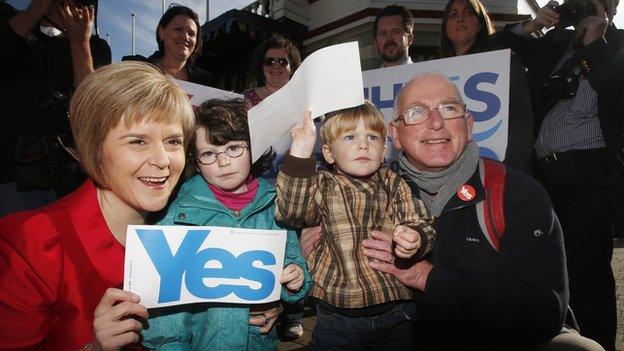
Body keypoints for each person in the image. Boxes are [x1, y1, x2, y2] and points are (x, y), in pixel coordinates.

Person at [359, 72, 603, 350]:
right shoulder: (370, 201)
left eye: (449, 109)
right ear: (395, 135)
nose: (436, 123)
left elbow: (543, 309)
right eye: (416, 112)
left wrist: (427, 278)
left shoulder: (515, 192)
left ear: (469, 124)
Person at [0, 61, 195, 350]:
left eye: (173, 141)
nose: (163, 160)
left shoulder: (193, 227)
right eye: (138, 141)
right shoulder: (34, 242)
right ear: (94, 149)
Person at [493, 0, 623, 348]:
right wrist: (533, 26)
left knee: (589, 277)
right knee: (546, 271)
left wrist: (595, 45)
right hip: (544, 177)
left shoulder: (619, 46)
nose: (582, 11)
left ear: (611, 8)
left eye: (593, 3)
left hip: (588, 176)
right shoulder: (556, 44)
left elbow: (616, 93)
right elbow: (493, 52)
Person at [140, 98, 312, 350]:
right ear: (195, 162)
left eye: (233, 148)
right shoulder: (176, 215)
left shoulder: (275, 205)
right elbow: (165, 324)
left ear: (253, 148)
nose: (223, 162)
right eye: (209, 153)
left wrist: (296, 280)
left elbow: (294, 265)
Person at [275, 102, 436, 350]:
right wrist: (300, 151)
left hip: (396, 310)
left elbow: (420, 220)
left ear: (383, 151)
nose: (363, 145)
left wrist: (415, 237)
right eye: (350, 137)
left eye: (372, 137)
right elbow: (292, 212)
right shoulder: (321, 183)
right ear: (328, 153)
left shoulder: (394, 183)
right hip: (337, 317)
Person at [0, 0, 111, 217]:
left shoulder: (96, 47)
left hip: (69, 173)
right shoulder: (11, 22)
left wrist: (80, 43)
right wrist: (36, 10)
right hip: (11, 170)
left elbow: (91, 104)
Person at [440, 0, 534, 172]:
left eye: (468, 12)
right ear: (445, 28)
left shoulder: (504, 62)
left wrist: (509, 171)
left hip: (498, 172)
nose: (460, 18)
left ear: (480, 24)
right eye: (453, 15)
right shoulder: (435, 73)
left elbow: (521, 120)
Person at [122, 5, 212, 85]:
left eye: (191, 34)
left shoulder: (207, 82)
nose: (185, 37)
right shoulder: (134, 69)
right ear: (162, 32)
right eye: (178, 29)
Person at [244, 34, 301, 108]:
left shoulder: (305, 99)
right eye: (269, 61)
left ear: (292, 67)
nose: (276, 66)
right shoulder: (246, 98)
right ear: (262, 66)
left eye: (282, 61)